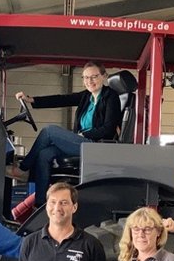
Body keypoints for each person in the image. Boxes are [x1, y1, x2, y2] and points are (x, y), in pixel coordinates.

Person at [13, 61, 121, 206]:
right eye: (86, 77)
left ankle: (23, 168)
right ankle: (40, 205)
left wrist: (85, 135)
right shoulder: (87, 96)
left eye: (94, 77)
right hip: (82, 142)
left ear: (104, 76)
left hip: (95, 145)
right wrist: (31, 100)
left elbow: (108, 129)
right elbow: (61, 99)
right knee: (44, 154)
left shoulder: (111, 97)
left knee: (49, 131)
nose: (89, 81)